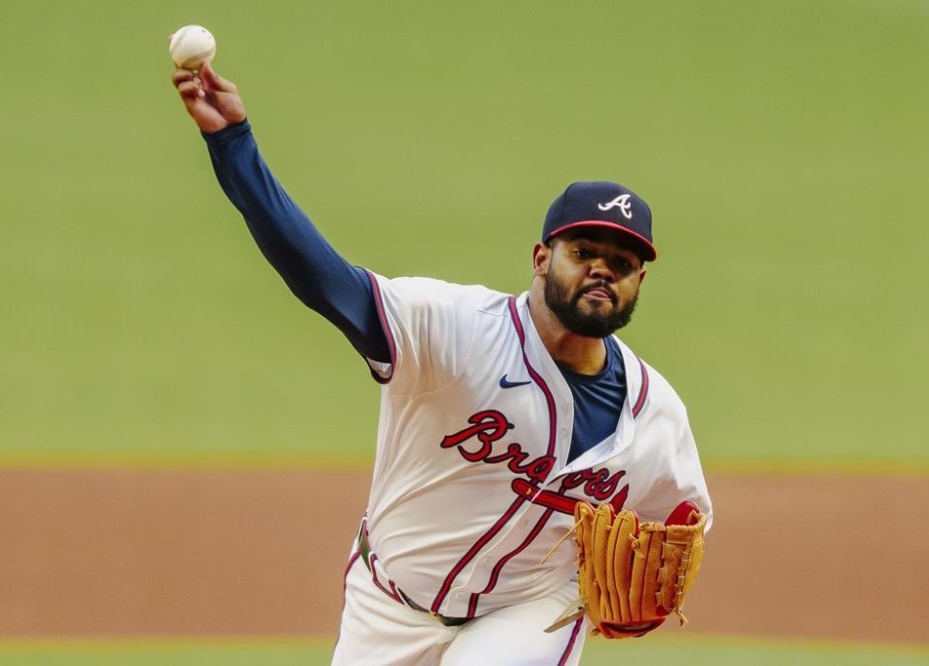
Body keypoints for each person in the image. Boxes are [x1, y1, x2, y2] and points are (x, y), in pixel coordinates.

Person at [172, 62, 713, 666]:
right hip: (388, 600)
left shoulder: (656, 413)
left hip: (527, 613)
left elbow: (682, 518)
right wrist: (233, 145)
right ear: (540, 257)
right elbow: (323, 279)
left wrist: (648, 593)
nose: (602, 270)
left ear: (640, 280)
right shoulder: (452, 330)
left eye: (622, 263)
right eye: (584, 252)